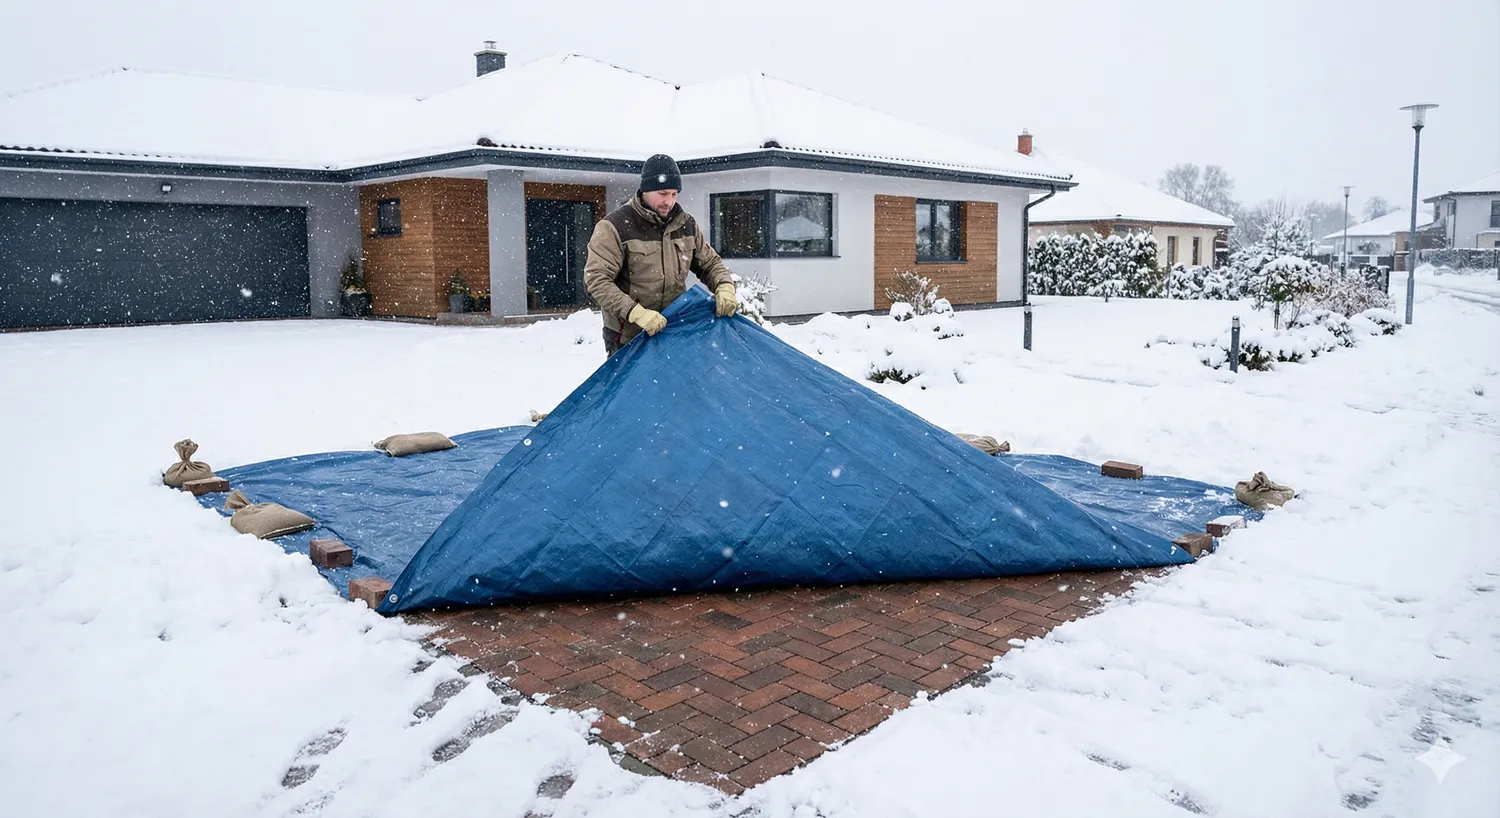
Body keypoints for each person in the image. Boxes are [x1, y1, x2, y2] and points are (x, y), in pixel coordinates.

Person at [583, 154, 737, 357]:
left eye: (674, 194)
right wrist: (636, 313)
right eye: (663, 193)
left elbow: (709, 263)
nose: (669, 201)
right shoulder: (615, 227)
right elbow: (596, 280)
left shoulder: (686, 224)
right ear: (645, 189)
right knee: (635, 390)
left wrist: (724, 285)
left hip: (672, 332)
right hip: (628, 339)